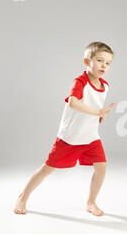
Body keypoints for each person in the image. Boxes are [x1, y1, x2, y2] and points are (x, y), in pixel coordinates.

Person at [14, 41, 116, 217]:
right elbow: (73, 102)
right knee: (48, 169)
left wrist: (101, 115)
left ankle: (91, 202)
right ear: (87, 62)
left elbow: (95, 105)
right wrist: (97, 111)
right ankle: (23, 196)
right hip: (70, 137)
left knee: (102, 167)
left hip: (90, 137)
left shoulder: (105, 86)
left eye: (108, 63)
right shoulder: (80, 82)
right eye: (100, 60)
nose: (104, 66)